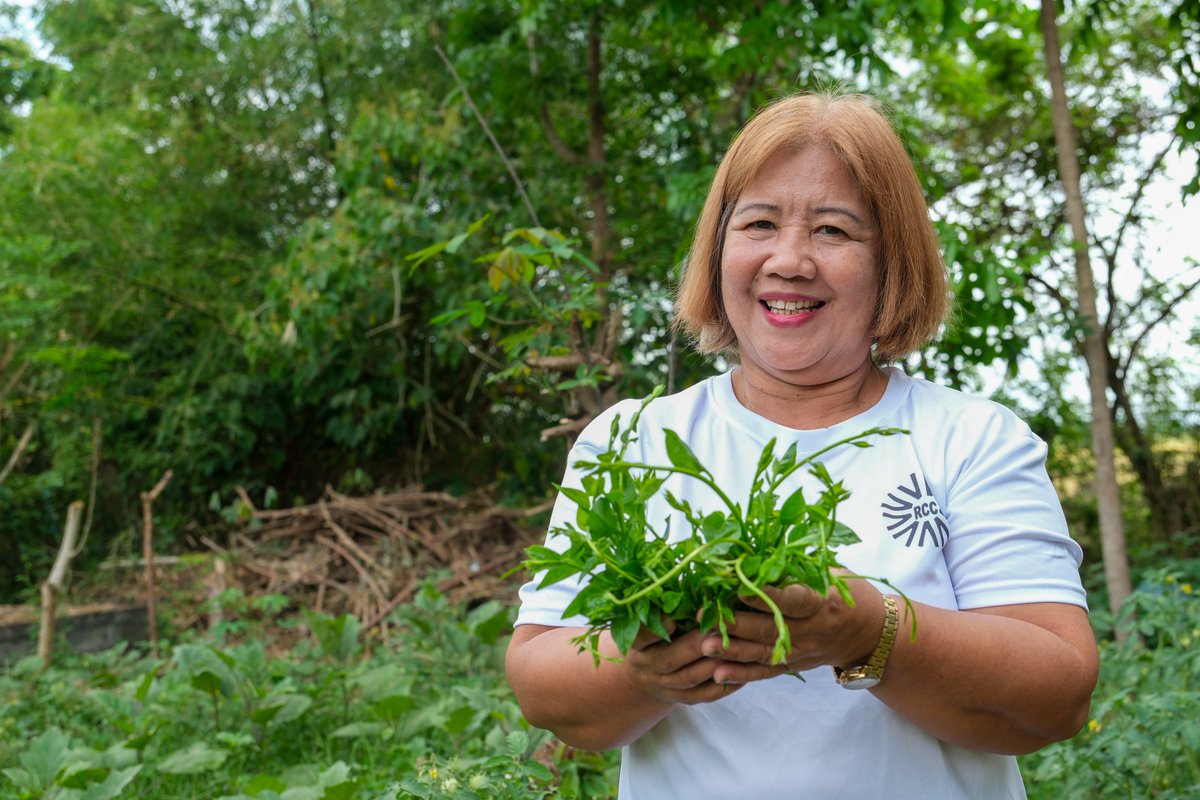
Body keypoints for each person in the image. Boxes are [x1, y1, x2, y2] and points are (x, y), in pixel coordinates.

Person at [505, 91, 1098, 799]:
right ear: (720, 249)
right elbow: (543, 685)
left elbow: (1059, 695)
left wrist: (865, 631)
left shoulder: (971, 441)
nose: (789, 260)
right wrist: (640, 668)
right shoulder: (633, 441)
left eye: (833, 231)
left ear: (893, 262)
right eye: (758, 223)